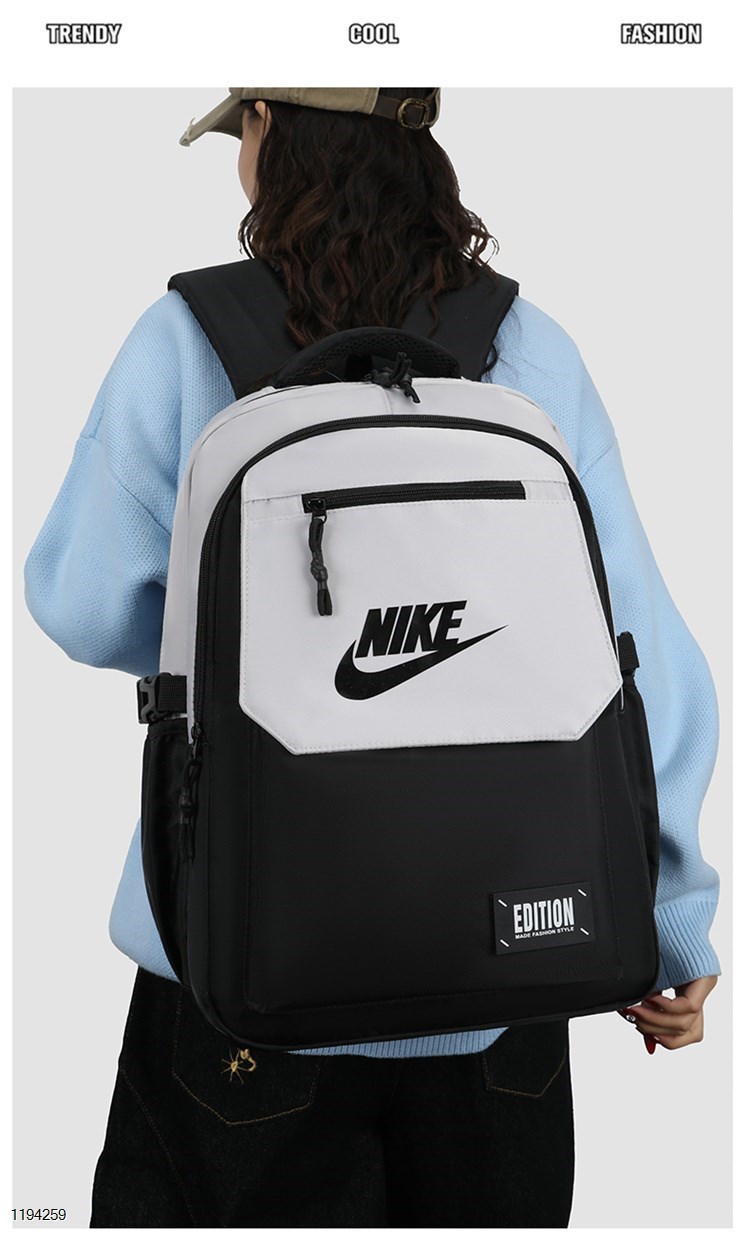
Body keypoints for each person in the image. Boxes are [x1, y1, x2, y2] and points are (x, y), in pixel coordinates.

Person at [24, 88, 721, 1228]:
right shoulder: (531, 347)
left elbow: (82, 604)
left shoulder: (185, 338)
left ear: (266, 127)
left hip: (243, 973)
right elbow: (637, 651)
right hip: (505, 984)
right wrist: (673, 910)